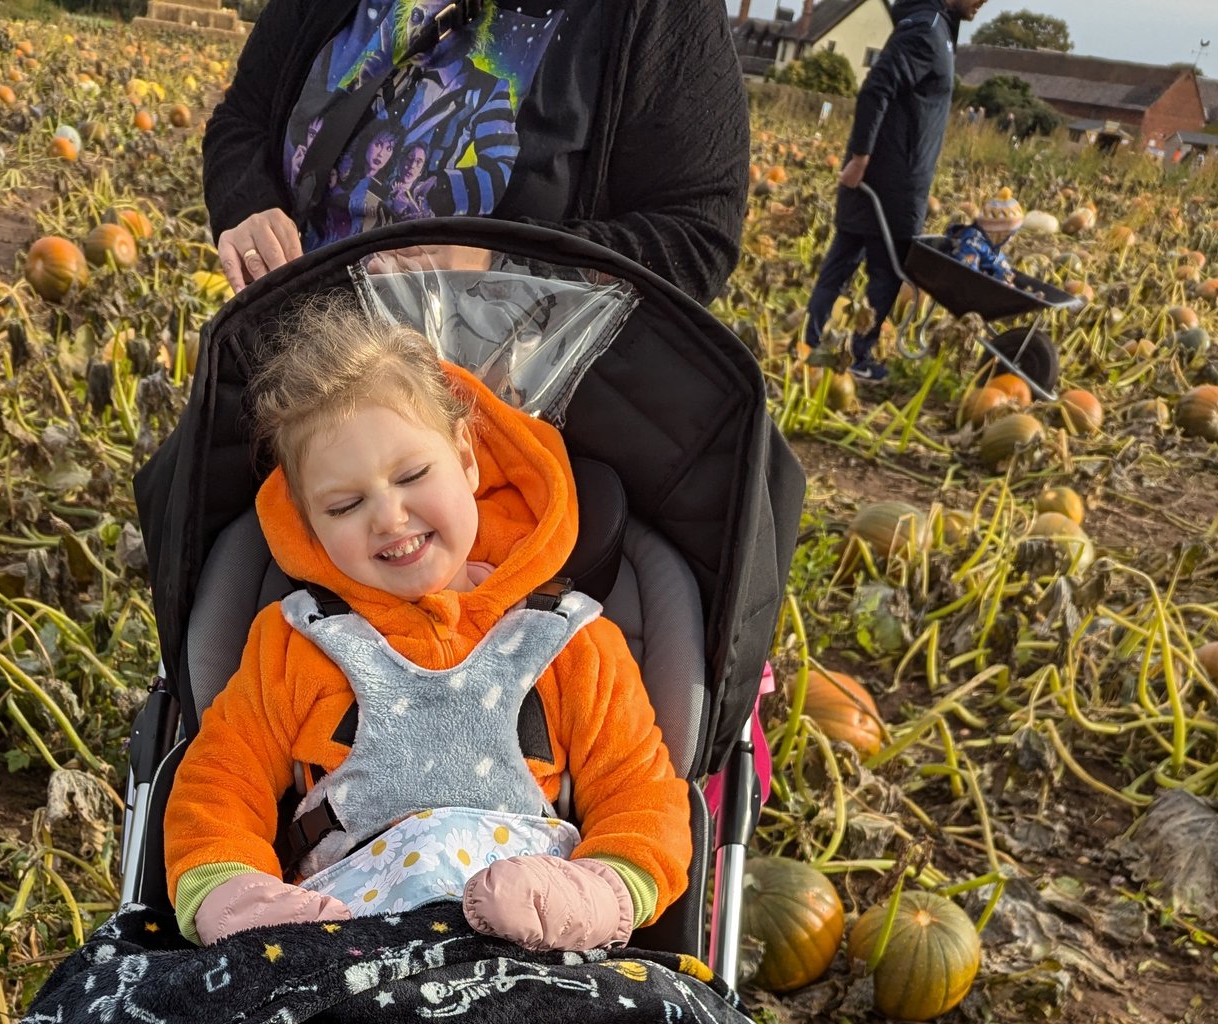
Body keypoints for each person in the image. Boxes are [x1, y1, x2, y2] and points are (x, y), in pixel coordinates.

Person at [165, 300, 689, 954]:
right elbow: (220, 781)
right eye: (346, 504)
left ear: (467, 460)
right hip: (343, 949)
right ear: (309, 523)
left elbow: (643, 796)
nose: (389, 517)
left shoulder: (569, 643)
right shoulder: (294, 645)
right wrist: (233, 888)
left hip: (526, 948)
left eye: (412, 475)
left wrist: (597, 888)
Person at [200, 0, 750, 302]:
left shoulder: (658, 15)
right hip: (287, 372)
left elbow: (696, 237)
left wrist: (504, 266)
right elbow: (243, 119)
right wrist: (248, 206)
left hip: (478, 447)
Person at [803, 0, 992, 381]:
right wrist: (860, 155)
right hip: (891, 181)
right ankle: (856, 357)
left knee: (843, 260)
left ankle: (810, 345)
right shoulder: (925, 30)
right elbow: (876, 87)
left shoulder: (936, 28)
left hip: (888, 172)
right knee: (887, 272)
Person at [938, 191, 1023, 281]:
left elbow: (1001, 266)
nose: (1012, 239)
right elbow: (968, 270)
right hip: (964, 282)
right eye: (1011, 234)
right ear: (998, 234)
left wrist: (1008, 279)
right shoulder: (972, 242)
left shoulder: (993, 249)